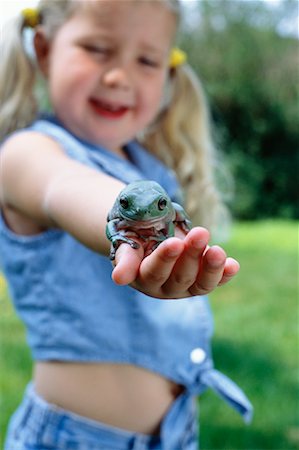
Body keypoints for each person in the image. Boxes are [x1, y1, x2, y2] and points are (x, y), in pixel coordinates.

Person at [0, 1, 252, 449]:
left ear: (169, 74)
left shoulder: (150, 162)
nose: (119, 76)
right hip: (73, 439)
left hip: (178, 435)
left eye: (147, 60)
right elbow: (65, 187)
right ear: (44, 50)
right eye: (97, 49)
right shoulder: (26, 154)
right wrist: (126, 232)